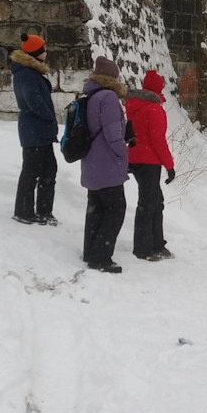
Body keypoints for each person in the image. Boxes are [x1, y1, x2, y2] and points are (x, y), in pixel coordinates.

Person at [80, 55, 130, 273]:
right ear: (113, 77)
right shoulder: (108, 97)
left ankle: (91, 250)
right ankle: (101, 257)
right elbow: (112, 134)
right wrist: (123, 154)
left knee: (96, 208)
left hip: (91, 162)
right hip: (107, 164)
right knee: (116, 209)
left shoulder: (90, 95)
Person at [125, 69, 176, 260]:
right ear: (159, 88)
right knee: (149, 204)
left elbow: (131, 134)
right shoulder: (154, 109)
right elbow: (158, 141)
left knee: (154, 202)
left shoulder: (133, 105)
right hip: (149, 161)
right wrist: (169, 166)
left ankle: (156, 243)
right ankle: (144, 248)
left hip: (136, 158)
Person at [10, 32, 59, 225]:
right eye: (44, 50)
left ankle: (44, 211)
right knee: (31, 171)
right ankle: (23, 211)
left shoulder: (29, 72)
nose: (47, 53)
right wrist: (49, 117)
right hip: (34, 129)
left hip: (39, 130)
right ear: (36, 52)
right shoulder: (26, 74)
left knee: (48, 170)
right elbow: (34, 102)